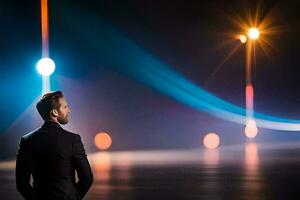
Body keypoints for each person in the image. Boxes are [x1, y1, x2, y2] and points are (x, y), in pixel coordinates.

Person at [16, 91, 93, 200]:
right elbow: (87, 178)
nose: (69, 110)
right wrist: (73, 197)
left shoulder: (26, 141)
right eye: (65, 107)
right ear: (54, 113)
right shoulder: (72, 139)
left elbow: (21, 183)